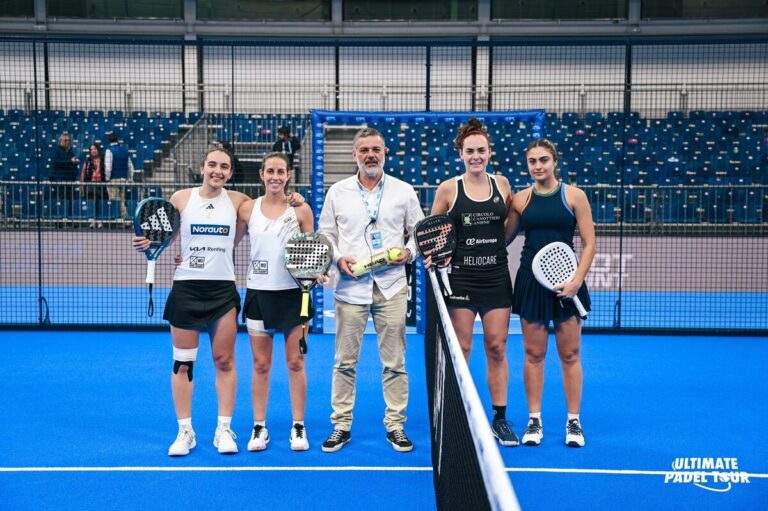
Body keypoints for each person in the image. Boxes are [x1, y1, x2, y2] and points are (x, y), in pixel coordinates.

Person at [132, 148, 249, 456]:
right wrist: (151, 242)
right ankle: (185, 432)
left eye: (224, 166)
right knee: (184, 363)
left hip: (223, 291)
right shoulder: (181, 198)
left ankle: (224, 429)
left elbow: (265, 216)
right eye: (212, 164)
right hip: (186, 289)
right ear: (202, 167)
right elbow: (164, 236)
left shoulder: (239, 202)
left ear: (230, 173)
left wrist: (296, 201)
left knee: (224, 362)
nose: (218, 170)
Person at [318, 127, 424, 453]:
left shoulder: (404, 191)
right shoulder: (337, 191)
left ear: (385, 153)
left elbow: (419, 231)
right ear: (355, 155)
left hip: (392, 287)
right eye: (364, 150)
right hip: (351, 287)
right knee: (344, 362)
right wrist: (337, 259)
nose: (370, 155)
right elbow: (325, 235)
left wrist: (410, 252)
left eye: (376, 149)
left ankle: (395, 425)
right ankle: (341, 425)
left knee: (395, 362)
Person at [429, 117, 520, 447]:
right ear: (461, 153)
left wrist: (494, 249)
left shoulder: (503, 185)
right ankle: (457, 415)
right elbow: (432, 230)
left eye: (481, 150)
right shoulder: (448, 189)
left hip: (496, 279)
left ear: (490, 152)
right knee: (462, 350)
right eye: (470, 151)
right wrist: (439, 254)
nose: (476, 156)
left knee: (497, 348)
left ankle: (499, 419)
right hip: (461, 280)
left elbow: (508, 228)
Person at [509, 138, 595, 448]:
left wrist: (576, 281)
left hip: (568, 284)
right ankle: (534, 420)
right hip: (532, 284)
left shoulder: (574, 196)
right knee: (534, 355)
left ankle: (574, 421)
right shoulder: (520, 200)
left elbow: (589, 243)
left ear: (554, 161)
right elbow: (503, 238)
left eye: (543, 160)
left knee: (570, 355)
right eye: (532, 161)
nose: (538, 166)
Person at [237, 152, 316, 452]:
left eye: (280, 171)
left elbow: (314, 250)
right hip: (258, 294)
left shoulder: (301, 210)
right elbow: (229, 243)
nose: (275, 176)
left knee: (296, 363)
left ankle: (298, 426)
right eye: (270, 171)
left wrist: (315, 274)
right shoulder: (247, 209)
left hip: (294, 296)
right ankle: (260, 428)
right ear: (261, 174)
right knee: (260, 364)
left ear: (288, 175)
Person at [50, 132, 79, 200]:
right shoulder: (56, 150)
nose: (68, 142)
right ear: (60, 141)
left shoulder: (70, 151)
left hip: (70, 180)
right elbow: (56, 162)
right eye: (65, 140)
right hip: (61, 180)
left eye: (69, 140)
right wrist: (70, 161)